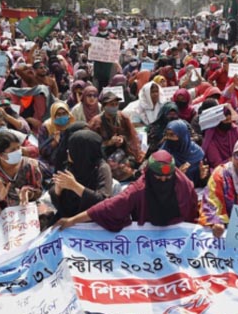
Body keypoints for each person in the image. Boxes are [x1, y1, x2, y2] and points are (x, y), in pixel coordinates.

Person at [55, 150, 198, 232]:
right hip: (148, 238)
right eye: (158, 178)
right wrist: (72, 221)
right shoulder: (139, 189)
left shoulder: (184, 185)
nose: (163, 181)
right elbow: (108, 207)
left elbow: (194, 213)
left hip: (178, 236)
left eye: (167, 178)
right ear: (149, 174)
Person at [50, 130, 113, 221]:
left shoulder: (102, 168)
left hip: (92, 220)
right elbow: (54, 190)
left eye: (73, 148)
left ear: (82, 150)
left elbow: (104, 201)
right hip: (68, 217)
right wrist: (57, 190)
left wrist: (75, 186)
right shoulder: (70, 165)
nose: (68, 151)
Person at [88, 91, 143, 182]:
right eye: (111, 104)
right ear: (104, 106)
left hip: (123, 151)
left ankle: (132, 173)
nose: (114, 107)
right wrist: (109, 142)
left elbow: (131, 137)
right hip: (104, 155)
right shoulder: (96, 122)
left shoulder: (123, 117)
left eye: (116, 104)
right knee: (111, 167)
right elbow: (92, 145)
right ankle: (131, 174)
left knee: (134, 161)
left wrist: (122, 140)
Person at [160, 119, 207, 187]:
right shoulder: (162, 156)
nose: (168, 138)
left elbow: (201, 181)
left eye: (172, 135)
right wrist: (177, 175)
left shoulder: (197, 153)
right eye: (167, 135)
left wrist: (203, 177)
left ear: (182, 136)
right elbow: (160, 183)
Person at [202, 105, 238, 169]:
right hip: (222, 169)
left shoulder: (234, 130)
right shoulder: (211, 138)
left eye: (230, 119)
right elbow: (217, 163)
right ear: (218, 122)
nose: (229, 122)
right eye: (226, 120)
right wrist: (231, 161)